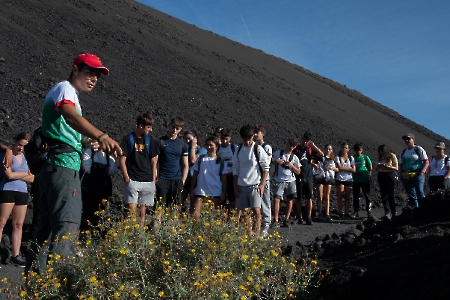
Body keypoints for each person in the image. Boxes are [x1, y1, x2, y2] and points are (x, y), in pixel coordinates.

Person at [26, 53, 122, 274]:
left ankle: (35, 284)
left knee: (47, 229)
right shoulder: (65, 89)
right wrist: (101, 136)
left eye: (97, 75)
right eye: (89, 72)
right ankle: (60, 284)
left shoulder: (70, 94)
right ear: (75, 69)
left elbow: (70, 130)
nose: (94, 79)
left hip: (56, 165)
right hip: (62, 166)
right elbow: (69, 116)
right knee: (67, 226)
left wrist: (89, 141)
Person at [0, 133, 34, 267]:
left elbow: (32, 178)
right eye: (19, 144)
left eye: (24, 146)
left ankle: (15, 255)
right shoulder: (7, 155)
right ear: (14, 142)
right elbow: (8, 174)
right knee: (1, 222)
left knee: (18, 225)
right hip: (7, 190)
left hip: (22, 192)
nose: (21, 148)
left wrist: (18, 175)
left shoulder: (27, 158)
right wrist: (25, 174)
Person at [119, 114, 159, 225]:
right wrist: (127, 178)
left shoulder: (150, 140)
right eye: (148, 127)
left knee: (142, 212)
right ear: (141, 126)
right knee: (131, 211)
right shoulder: (128, 139)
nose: (151, 130)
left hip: (147, 180)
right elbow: (122, 160)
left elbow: (154, 161)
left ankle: (139, 237)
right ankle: (131, 234)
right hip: (133, 179)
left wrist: (153, 178)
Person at [233, 125, 270, 237]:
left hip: (254, 185)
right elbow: (235, 167)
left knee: (256, 211)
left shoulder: (258, 149)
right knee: (244, 213)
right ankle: (249, 235)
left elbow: (265, 167)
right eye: (245, 139)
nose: (248, 142)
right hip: (241, 185)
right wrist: (235, 185)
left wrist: (262, 184)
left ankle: (257, 235)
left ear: (252, 137)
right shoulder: (238, 150)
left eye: (249, 139)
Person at [80, 147, 116, 231]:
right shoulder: (89, 152)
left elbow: (113, 170)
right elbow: (87, 167)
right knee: (87, 211)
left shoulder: (108, 156)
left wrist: (98, 169)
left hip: (102, 188)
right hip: (90, 187)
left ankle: (97, 233)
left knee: (100, 212)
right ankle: (85, 232)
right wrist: (103, 170)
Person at [189, 136, 226, 217]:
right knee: (195, 214)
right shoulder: (200, 159)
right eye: (207, 145)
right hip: (200, 191)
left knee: (212, 216)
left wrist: (223, 193)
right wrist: (192, 188)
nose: (209, 147)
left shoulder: (221, 161)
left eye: (211, 145)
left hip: (215, 192)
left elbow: (223, 179)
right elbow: (195, 174)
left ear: (216, 146)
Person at [156, 117, 189, 206]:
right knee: (159, 207)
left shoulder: (182, 144)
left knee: (175, 208)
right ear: (169, 125)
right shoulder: (160, 142)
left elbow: (185, 165)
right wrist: (155, 177)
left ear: (180, 129)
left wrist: (183, 180)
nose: (174, 130)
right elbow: (154, 162)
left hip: (177, 180)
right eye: (173, 127)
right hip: (163, 178)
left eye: (177, 128)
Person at [293, 132, 323, 225]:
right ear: (302, 139)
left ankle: (309, 217)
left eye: (307, 141)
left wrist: (313, 145)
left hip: (309, 175)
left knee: (309, 197)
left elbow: (321, 154)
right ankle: (300, 217)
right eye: (304, 140)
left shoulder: (310, 150)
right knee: (298, 198)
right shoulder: (297, 149)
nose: (305, 143)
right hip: (299, 176)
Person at [271, 138, 301, 229]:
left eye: (293, 146)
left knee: (290, 199)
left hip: (290, 180)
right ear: (287, 144)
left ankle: (286, 219)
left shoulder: (295, 158)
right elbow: (270, 160)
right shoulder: (278, 153)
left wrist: (292, 166)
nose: (291, 147)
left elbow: (299, 171)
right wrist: (276, 161)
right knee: (276, 199)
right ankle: (276, 219)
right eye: (290, 145)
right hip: (279, 180)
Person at [398, 133, 429, 207]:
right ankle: (415, 209)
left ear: (413, 140)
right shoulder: (403, 152)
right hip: (406, 175)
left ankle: (423, 209)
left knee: (419, 192)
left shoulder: (418, 149)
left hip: (418, 174)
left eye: (408, 139)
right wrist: (400, 175)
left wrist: (422, 171)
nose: (406, 141)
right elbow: (400, 164)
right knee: (411, 194)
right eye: (405, 139)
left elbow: (426, 161)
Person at [254, 124, 272, 235]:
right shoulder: (252, 147)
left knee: (265, 202)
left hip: (264, 179)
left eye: (258, 133)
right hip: (254, 179)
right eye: (254, 133)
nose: (255, 135)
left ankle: (265, 226)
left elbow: (267, 163)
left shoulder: (267, 147)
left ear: (263, 134)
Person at [181, 131, 206, 210]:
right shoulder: (185, 149)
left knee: (193, 204)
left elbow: (193, 160)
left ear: (195, 137)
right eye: (186, 139)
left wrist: (193, 148)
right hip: (186, 178)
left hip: (196, 179)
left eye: (189, 138)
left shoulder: (202, 150)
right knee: (179, 201)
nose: (187, 141)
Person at [314, 144, 338, 222]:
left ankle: (327, 213)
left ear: (332, 150)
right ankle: (320, 213)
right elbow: (312, 161)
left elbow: (337, 169)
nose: (328, 150)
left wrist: (330, 167)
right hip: (320, 176)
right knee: (320, 196)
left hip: (328, 177)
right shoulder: (320, 157)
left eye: (329, 149)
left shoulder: (333, 159)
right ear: (324, 149)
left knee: (327, 196)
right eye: (327, 149)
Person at [352, 143, 375, 219]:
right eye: (357, 150)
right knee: (356, 196)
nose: (358, 152)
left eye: (360, 150)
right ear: (355, 151)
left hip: (365, 179)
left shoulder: (365, 157)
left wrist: (367, 172)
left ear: (362, 150)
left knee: (367, 195)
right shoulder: (353, 158)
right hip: (356, 179)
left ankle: (369, 211)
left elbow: (370, 167)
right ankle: (356, 211)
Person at [377, 144, 398, 220]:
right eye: (380, 152)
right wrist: (379, 166)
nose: (381, 153)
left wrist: (389, 166)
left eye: (382, 151)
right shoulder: (380, 156)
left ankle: (394, 211)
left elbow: (396, 167)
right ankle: (387, 212)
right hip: (381, 175)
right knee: (383, 194)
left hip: (390, 174)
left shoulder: (392, 156)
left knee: (390, 194)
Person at [217, 128, 237, 210]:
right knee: (221, 198)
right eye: (222, 139)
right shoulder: (217, 148)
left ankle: (234, 217)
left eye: (226, 139)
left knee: (233, 198)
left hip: (232, 176)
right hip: (220, 176)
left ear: (230, 138)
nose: (224, 141)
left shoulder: (234, 148)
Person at [335, 142, 355, 219]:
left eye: (346, 148)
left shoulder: (351, 158)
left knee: (347, 197)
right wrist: (349, 169)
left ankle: (346, 213)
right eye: (343, 147)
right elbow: (339, 167)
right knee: (340, 196)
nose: (344, 149)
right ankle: (340, 212)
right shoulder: (338, 157)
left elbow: (354, 170)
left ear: (348, 149)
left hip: (349, 179)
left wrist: (344, 168)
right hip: (340, 178)